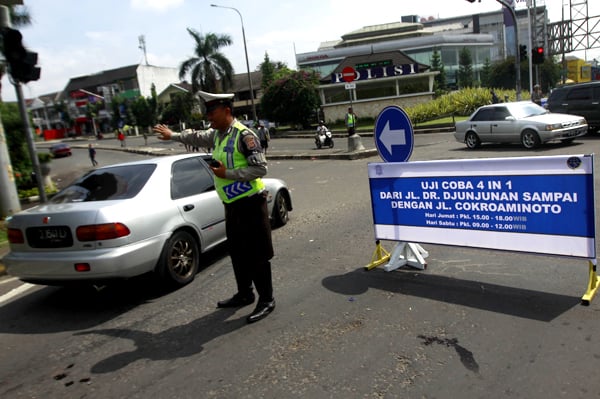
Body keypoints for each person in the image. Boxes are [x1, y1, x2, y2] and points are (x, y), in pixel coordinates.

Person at [153, 91, 275, 324]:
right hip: (232, 205)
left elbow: (260, 169)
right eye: (207, 112)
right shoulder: (218, 135)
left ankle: (267, 299)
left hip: (251, 203)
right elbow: (197, 137)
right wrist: (173, 135)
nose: (208, 116)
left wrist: (226, 173)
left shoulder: (245, 135)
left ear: (227, 110)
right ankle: (245, 293)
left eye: (212, 111)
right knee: (238, 253)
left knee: (257, 254)